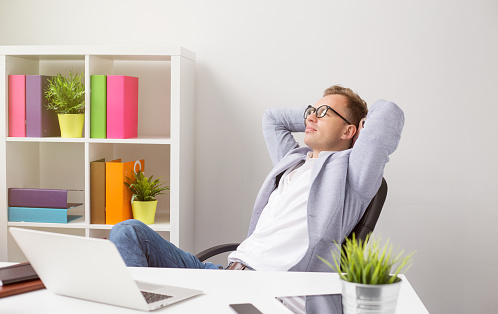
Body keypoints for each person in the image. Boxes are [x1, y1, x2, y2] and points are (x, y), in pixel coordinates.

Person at [109, 85, 404, 272]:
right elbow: (272, 118)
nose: (311, 118)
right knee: (127, 231)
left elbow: (388, 113)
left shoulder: (353, 175)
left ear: (350, 131)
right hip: (227, 274)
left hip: (268, 288)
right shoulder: (292, 161)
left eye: (323, 112)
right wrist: (315, 114)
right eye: (311, 111)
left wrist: (363, 124)